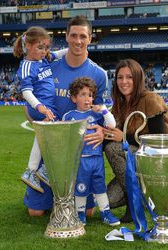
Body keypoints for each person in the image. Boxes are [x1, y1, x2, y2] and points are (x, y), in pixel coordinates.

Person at [23, 16, 107, 217]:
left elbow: (101, 112)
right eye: (74, 35)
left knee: (88, 213)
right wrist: (35, 118)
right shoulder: (47, 65)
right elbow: (29, 99)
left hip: (79, 153)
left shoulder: (99, 74)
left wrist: (102, 131)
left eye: (83, 36)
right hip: (49, 147)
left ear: (89, 39)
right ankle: (52, 192)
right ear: (67, 37)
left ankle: (70, 197)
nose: (78, 40)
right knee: (35, 212)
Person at [103, 59, 168, 223]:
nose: (124, 82)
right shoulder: (120, 105)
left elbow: (159, 141)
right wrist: (101, 134)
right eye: (120, 78)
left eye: (129, 77)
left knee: (114, 148)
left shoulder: (150, 99)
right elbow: (111, 137)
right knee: (105, 201)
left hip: (154, 164)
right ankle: (141, 197)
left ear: (138, 78)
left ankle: (134, 204)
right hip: (134, 169)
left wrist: (124, 138)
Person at [14, 26, 67, 193]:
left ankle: (33, 171)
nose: (44, 51)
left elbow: (58, 54)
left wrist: (74, 47)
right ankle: (42, 171)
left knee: (43, 136)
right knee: (59, 135)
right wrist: (41, 107)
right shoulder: (26, 66)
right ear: (28, 45)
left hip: (47, 106)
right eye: (39, 47)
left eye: (46, 47)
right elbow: (26, 92)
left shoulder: (43, 59)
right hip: (41, 106)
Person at [62, 77, 120, 226]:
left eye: (90, 95)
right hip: (80, 160)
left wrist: (103, 109)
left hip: (96, 159)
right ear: (74, 98)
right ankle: (80, 214)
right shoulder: (69, 117)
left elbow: (112, 124)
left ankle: (105, 213)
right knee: (80, 188)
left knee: (100, 187)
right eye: (82, 94)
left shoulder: (97, 115)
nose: (87, 98)